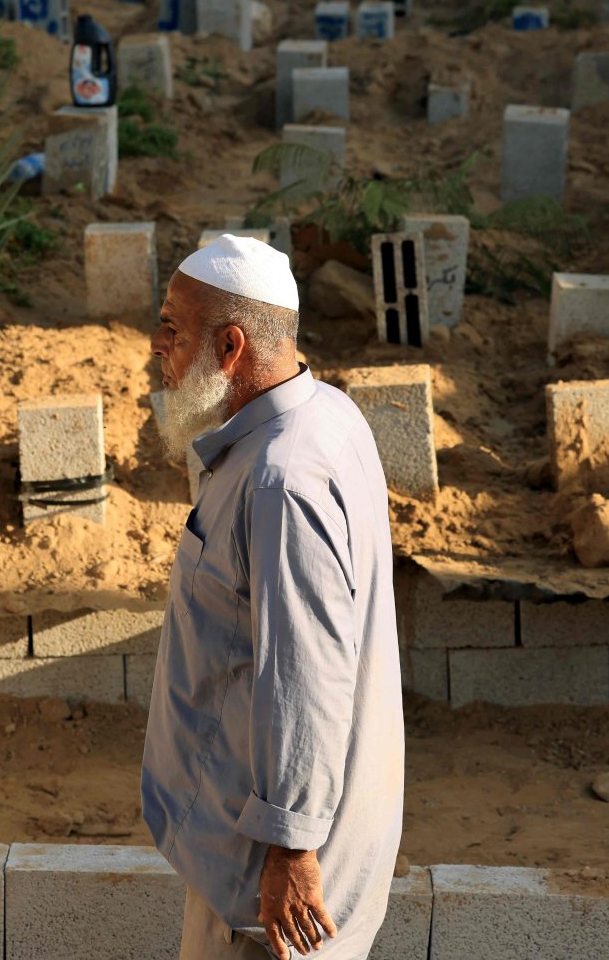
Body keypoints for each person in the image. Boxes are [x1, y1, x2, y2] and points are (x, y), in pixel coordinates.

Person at [141, 234, 404, 959]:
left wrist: (290, 851)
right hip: (269, 866)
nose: (158, 347)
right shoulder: (327, 416)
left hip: (272, 900)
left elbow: (307, 674)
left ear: (229, 348)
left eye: (173, 328)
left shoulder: (281, 479)